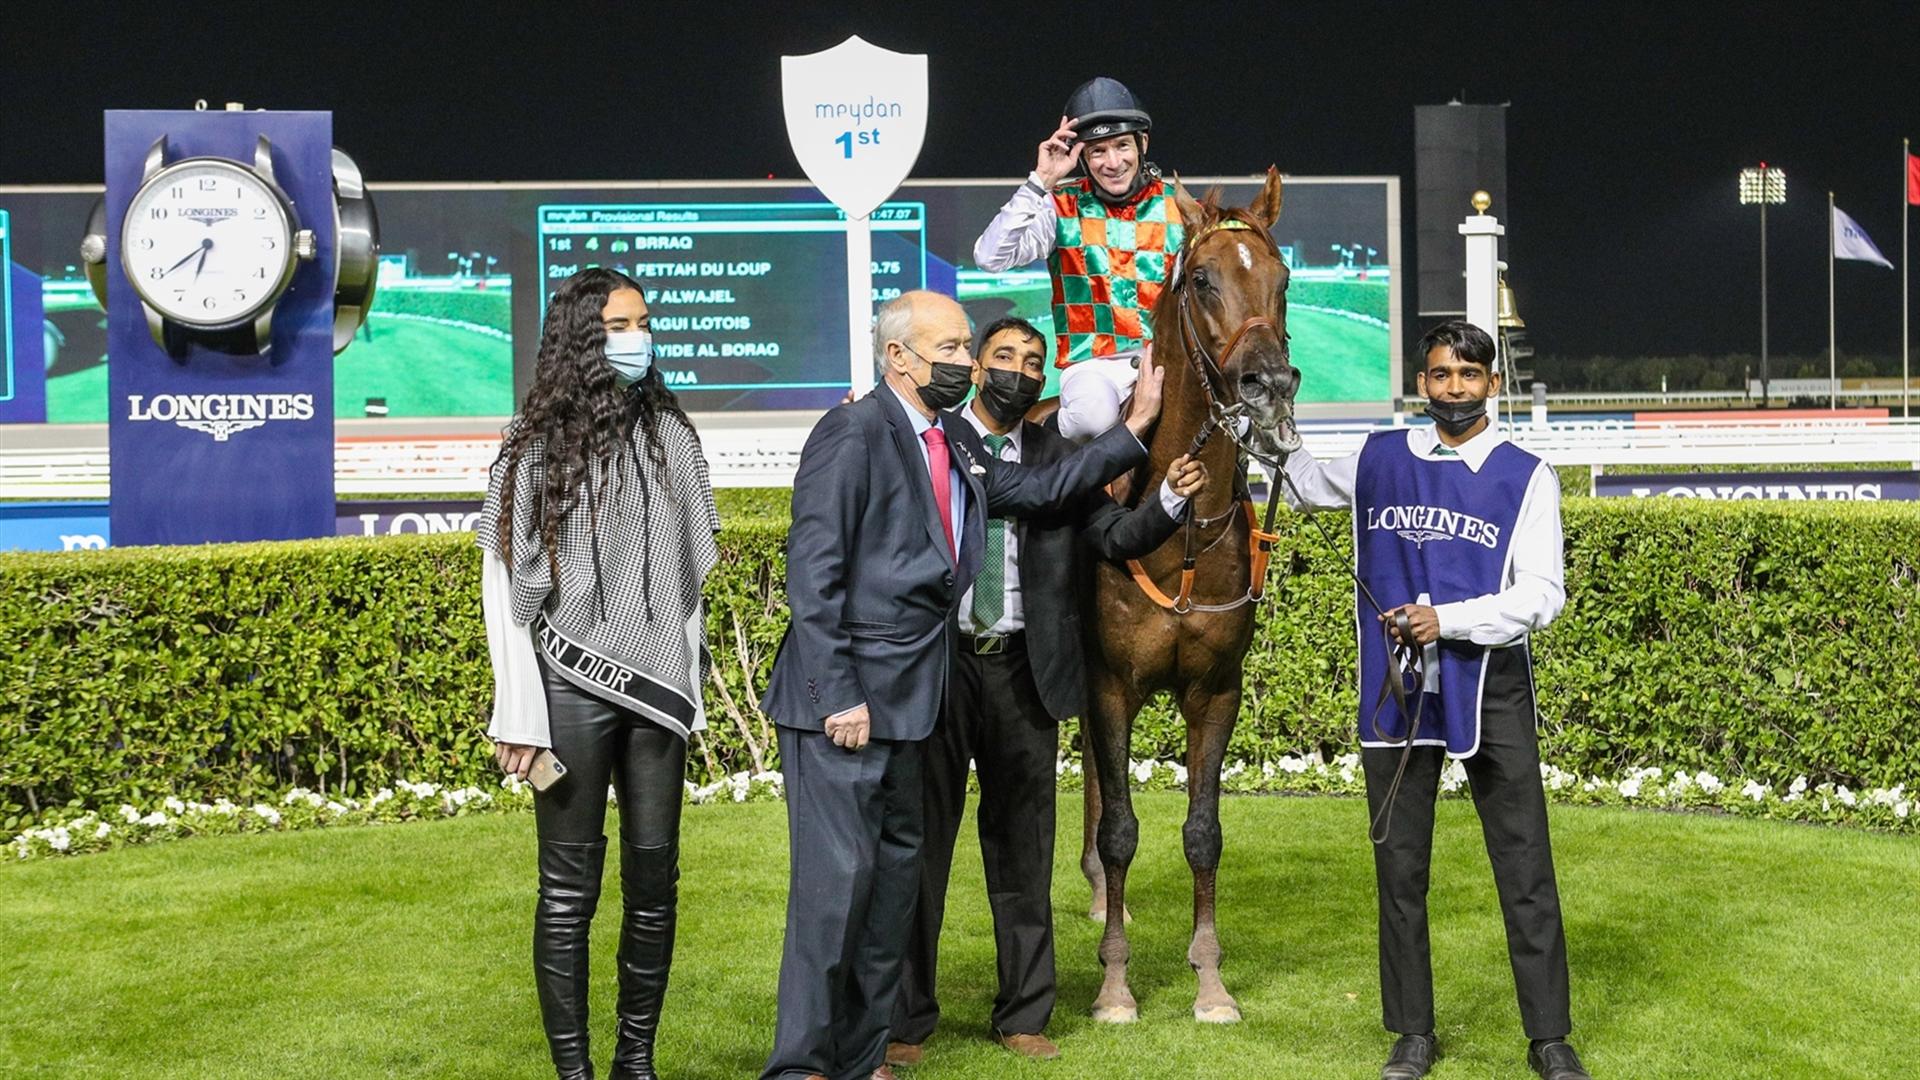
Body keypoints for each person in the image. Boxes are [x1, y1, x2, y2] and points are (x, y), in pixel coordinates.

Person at [758, 291, 1167, 1080]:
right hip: (849, 707)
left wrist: (1135, 427)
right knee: (835, 891)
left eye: (961, 348)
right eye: (949, 349)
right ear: (899, 358)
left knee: (890, 890)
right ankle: (801, 1065)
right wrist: (838, 691)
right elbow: (814, 576)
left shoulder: (952, 445)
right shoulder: (853, 430)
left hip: (918, 701)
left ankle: (866, 1053)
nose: (963, 362)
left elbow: (1043, 494)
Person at [886, 318, 1208, 1066]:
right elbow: (1031, 494)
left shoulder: (1061, 453)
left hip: (1024, 671)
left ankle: (1023, 1013)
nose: (1020, 372)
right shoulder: (940, 437)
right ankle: (906, 1020)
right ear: (973, 365)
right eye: (1004, 357)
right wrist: (1135, 426)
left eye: (1034, 362)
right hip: (938, 665)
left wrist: (1166, 504)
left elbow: (1113, 535)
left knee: (1025, 850)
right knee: (922, 847)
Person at [1281, 321, 1592, 1080]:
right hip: (1397, 685)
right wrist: (1274, 420)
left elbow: (1543, 596)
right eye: (1441, 374)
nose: (1454, 387)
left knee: (1524, 867)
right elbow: (1305, 485)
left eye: (1468, 374)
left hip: (1491, 686)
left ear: (1491, 382)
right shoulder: (1382, 456)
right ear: (1423, 382)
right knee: (1400, 869)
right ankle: (1412, 1032)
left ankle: (1549, 1037)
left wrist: (1446, 621)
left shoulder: (1528, 474)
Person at [479, 267, 720, 1080]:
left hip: (657, 692)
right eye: (621, 324)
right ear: (584, 335)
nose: (638, 337)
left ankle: (636, 1062)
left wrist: (688, 683)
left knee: (656, 880)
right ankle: (575, 1072)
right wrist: (517, 711)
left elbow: (689, 573)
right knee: (569, 890)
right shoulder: (531, 443)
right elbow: (505, 578)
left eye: (644, 321)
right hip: (568, 683)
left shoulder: (672, 434)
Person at [973, 76, 1185, 441]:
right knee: (1092, 419)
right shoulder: (1058, 206)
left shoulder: (1180, 206)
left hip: (1165, 361)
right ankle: (1042, 442)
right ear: (1081, 156)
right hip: (1093, 366)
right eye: (1098, 151)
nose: (1112, 162)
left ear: (1142, 144)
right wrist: (1041, 180)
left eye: (1122, 146)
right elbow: (990, 257)